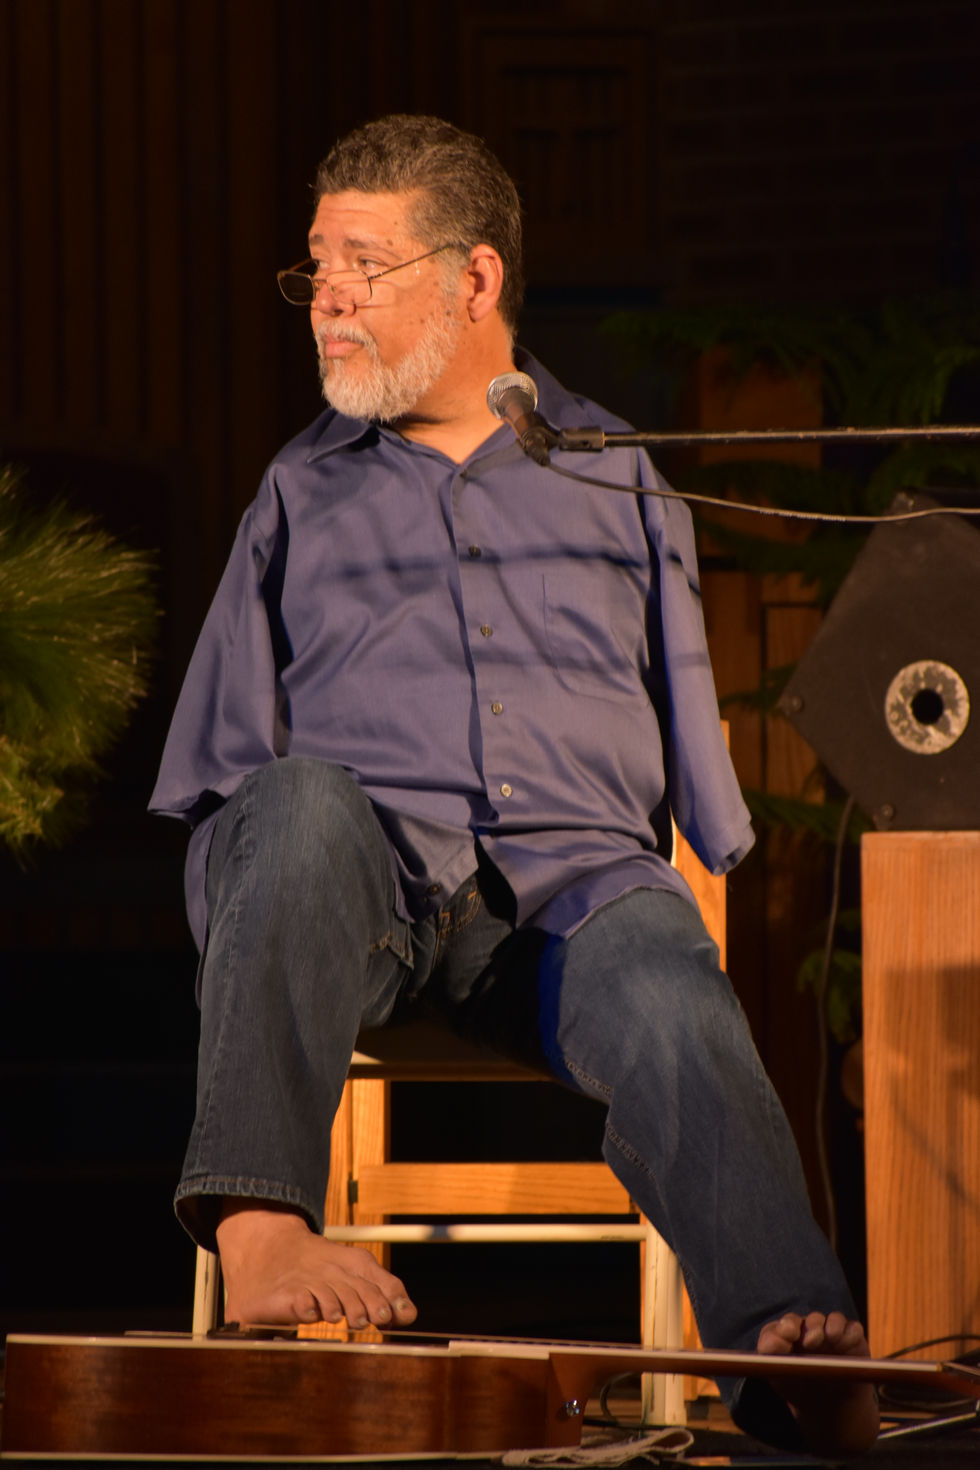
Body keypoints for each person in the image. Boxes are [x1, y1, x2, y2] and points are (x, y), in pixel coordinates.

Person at [151, 114, 878, 1455]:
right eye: (316, 267)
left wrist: (684, 881)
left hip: (566, 910)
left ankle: (785, 1340)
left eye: (363, 264)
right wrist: (275, 896)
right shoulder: (299, 491)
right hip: (366, 898)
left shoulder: (611, 471)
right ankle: (258, 1224)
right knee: (296, 800)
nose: (327, 299)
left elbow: (697, 788)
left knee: (659, 955)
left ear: (474, 279)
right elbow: (221, 787)